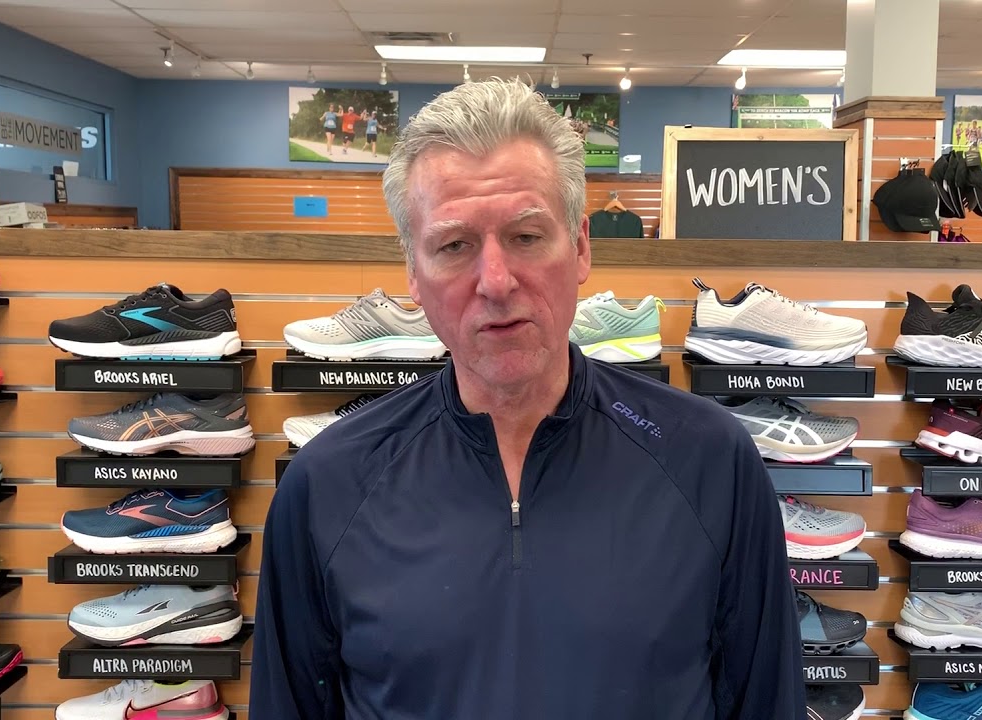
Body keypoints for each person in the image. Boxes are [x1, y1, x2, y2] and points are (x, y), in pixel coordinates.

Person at [251, 77, 805, 720]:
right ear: (412, 271)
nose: (495, 281)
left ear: (581, 248)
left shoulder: (710, 461)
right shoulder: (326, 485)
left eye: (526, 236)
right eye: (454, 245)